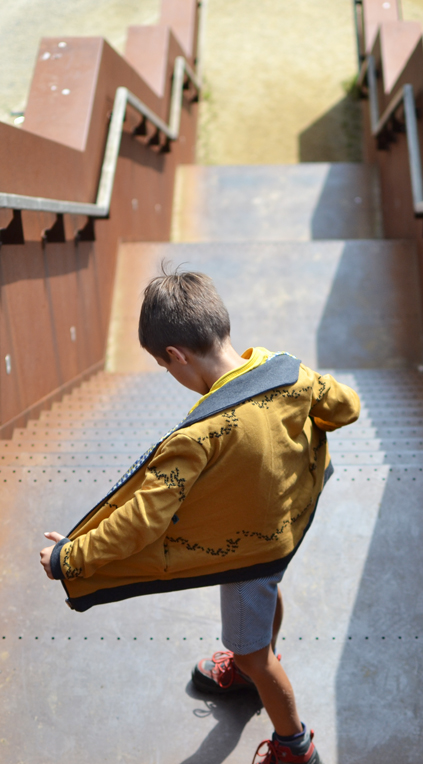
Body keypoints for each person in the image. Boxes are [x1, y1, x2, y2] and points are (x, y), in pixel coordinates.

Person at [39, 267, 360, 764]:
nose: (175, 378)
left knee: (256, 653)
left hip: (246, 555)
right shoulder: (288, 372)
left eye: (168, 369)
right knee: (268, 592)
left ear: (175, 354)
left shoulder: (198, 436)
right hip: (291, 524)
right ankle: (255, 664)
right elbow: (346, 408)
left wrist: (70, 557)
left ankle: (293, 744)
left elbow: (141, 520)